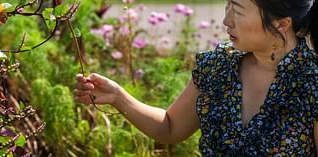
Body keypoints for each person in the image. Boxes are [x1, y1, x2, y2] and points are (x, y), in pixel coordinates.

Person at [74, 0, 318, 156]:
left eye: (238, 10)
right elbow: (170, 127)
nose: (226, 20)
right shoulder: (218, 66)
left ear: (282, 23)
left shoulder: (311, 83)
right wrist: (118, 96)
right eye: (227, 6)